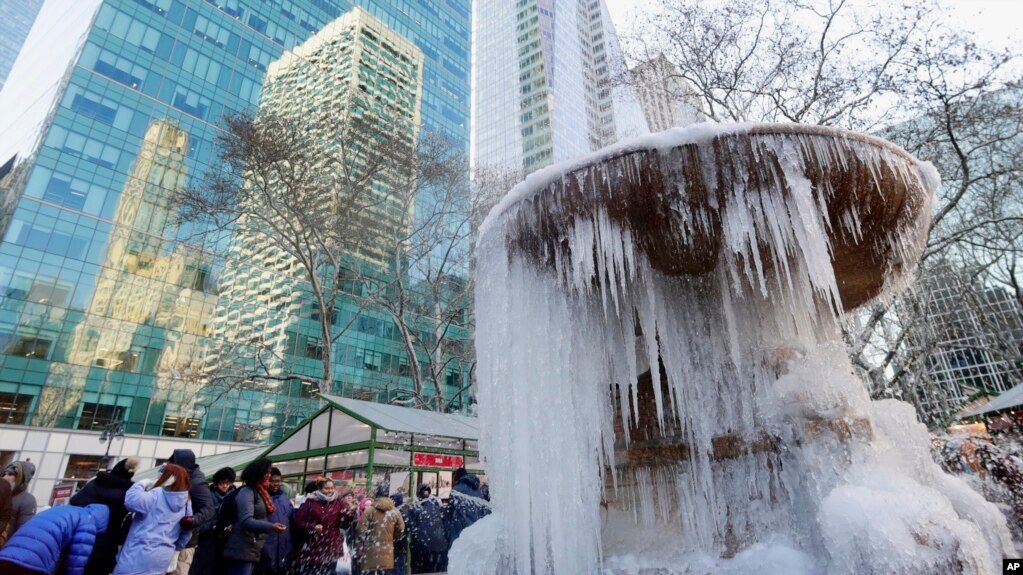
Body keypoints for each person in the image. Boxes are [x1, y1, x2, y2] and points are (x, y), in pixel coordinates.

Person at [113, 463, 193, 575]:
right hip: (164, 556)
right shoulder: (186, 502)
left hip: (138, 552)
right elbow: (187, 529)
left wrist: (143, 483)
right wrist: (177, 550)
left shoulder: (156, 494)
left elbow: (131, 501)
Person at [69, 456, 139, 575]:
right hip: (106, 547)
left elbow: (75, 501)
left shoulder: (94, 483)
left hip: (79, 537)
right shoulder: (128, 496)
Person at [0, 503, 110, 575]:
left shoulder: (63, 510)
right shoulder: (88, 521)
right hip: (36, 561)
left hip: (9, 553)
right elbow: (77, 558)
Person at [222, 458, 286, 575]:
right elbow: (246, 520)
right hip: (241, 547)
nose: (269, 475)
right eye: (267, 472)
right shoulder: (247, 492)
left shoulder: (260, 491)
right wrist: (271, 526)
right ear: (258, 473)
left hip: (252, 547)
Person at [292, 477, 356, 575]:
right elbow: (298, 522)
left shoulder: (338, 502)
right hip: (313, 548)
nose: (330, 491)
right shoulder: (310, 502)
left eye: (332, 488)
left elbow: (344, 524)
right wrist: (312, 528)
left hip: (332, 547)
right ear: (319, 489)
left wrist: (350, 512)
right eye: (327, 488)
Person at [166, 450, 215, 575]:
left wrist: (191, 521)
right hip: (168, 538)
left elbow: (209, 509)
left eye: (173, 464)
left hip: (185, 543)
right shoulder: (178, 478)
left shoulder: (197, 483)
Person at [189, 467, 237, 575]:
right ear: (215, 484)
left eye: (227, 483)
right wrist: (213, 525)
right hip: (206, 540)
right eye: (221, 483)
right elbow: (199, 522)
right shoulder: (206, 497)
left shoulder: (234, 497)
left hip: (226, 541)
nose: (225, 486)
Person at [355, 484, 405, 575]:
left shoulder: (370, 510)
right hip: (388, 551)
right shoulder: (395, 511)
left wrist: (367, 539)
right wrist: (392, 538)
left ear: (377, 494)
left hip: (371, 551)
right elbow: (401, 529)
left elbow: (360, 528)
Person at [256, 467, 293, 575]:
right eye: (272, 481)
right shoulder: (259, 497)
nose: (275, 484)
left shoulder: (284, 498)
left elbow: (291, 518)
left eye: (278, 481)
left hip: (283, 547)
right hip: (265, 546)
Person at [444, 468, 491, 548]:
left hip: (460, 533)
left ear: (457, 478)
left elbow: (449, 514)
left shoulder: (456, 490)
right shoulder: (478, 491)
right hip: (476, 534)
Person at [406, 484, 446, 574]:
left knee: (421, 570)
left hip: (421, 547)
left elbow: (409, 524)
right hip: (438, 547)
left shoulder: (415, 506)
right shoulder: (435, 506)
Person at [2, 461, 37, 545]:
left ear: (20, 478)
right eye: (4, 474)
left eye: (10, 474)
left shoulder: (27, 500)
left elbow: (23, 533)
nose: (5, 477)